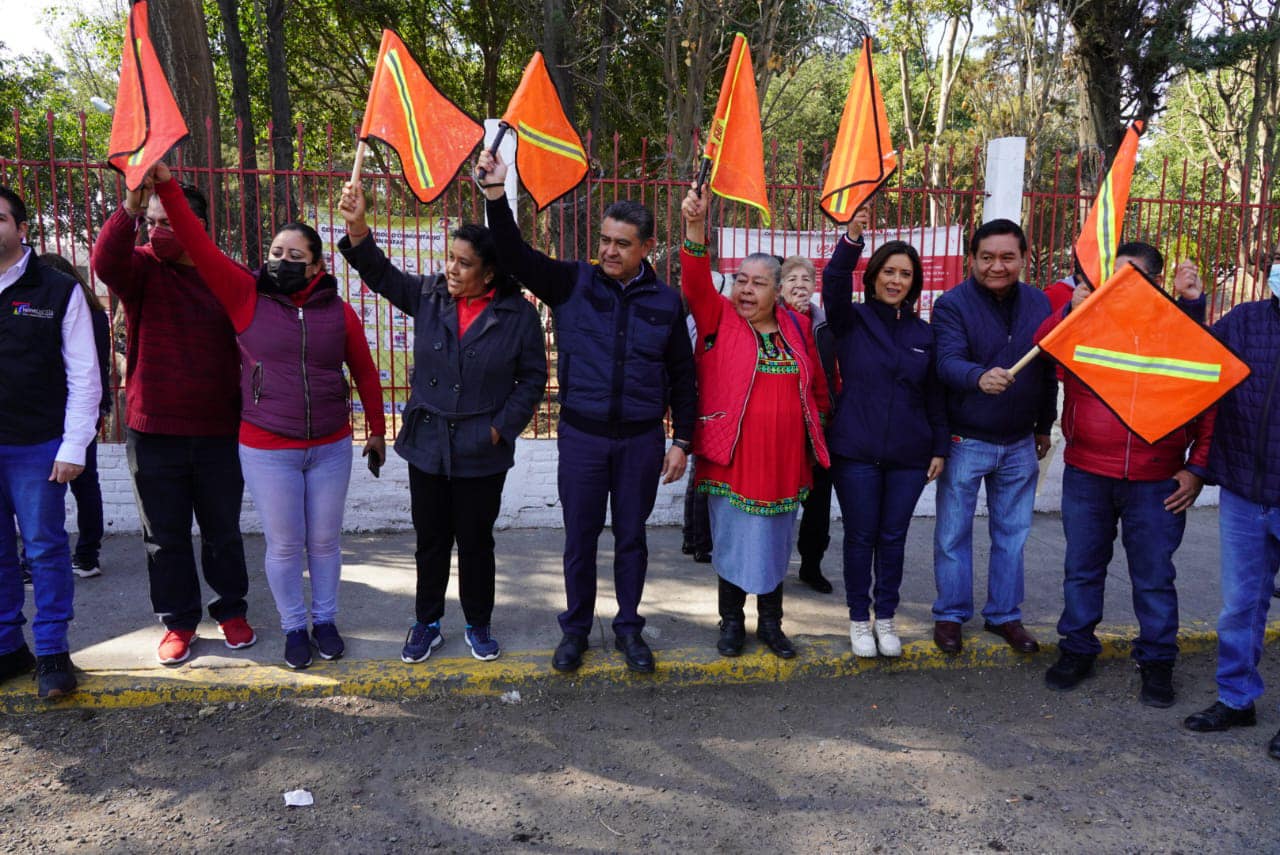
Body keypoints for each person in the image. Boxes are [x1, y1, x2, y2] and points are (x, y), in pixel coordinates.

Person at [149, 162, 387, 670]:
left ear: (318, 266)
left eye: (295, 255)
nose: (283, 260)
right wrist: (166, 185)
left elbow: (366, 373)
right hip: (266, 447)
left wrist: (377, 431)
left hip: (330, 445)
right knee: (284, 544)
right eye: (277, 253)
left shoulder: (337, 312)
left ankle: (325, 620)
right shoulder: (245, 296)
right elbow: (198, 243)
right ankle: (294, 627)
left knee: (323, 541)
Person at [476, 149, 697, 674]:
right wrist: (495, 195)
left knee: (631, 539)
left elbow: (685, 378)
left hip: (641, 442)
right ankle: (575, 629)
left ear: (646, 247)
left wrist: (682, 440)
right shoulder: (571, 282)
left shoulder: (667, 303)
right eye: (605, 240)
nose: (610, 251)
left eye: (623, 244)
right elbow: (514, 255)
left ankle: (628, 630)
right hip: (582, 439)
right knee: (579, 540)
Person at [336, 180, 546, 663]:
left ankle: (478, 622)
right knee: (430, 541)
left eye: (464, 262)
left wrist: (501, 427)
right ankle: (426, 622)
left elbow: (533, 378)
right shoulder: (429, 295)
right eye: (450, 257)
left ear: (490, 273)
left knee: (476, 542)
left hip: (482, 447)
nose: (451, 268)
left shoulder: (518, 316)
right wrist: (357, 224)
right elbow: (382, 275)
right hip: (428, 441)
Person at [1037, 243, 1211, 706]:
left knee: (1154, 577)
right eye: (1110, 276)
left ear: (1154, 281)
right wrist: (1069, 314)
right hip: (1088, 475)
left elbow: (1210, 402)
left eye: (1131, 276)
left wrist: (1196, 470)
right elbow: (1042, 347)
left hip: (1157, 483)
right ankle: (1076, 649)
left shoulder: (1178, 332)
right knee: (1081, 571)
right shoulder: (1087, 323)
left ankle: (1157, 662)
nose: (1118, 286)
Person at [92, 174, 255, 666]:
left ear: (198, 225)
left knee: (222, 531)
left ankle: (231, 610)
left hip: (218, 431)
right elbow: (104, 262)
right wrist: (130, 208)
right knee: (164, 537)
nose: (157, 231)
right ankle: (179, 622)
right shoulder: (140, 268)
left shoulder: (227, 275)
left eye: (169, 221)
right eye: (152, 223)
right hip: (153, 431)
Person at [681, 186, 831, 658]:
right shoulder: (718, 317)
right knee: (733, 542)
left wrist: (817, 433)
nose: (746, 289)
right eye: (741, 280)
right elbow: (693, 283)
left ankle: (771, 624)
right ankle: (731, 623)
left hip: (785, 461)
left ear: (777, 288)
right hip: (734, 459)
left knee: (774, 543)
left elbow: (818, 387)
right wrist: (694, 227)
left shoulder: (797, 327)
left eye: (757, 283)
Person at [931, 218, 1057, 654]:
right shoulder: (952, 305)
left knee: (1012, 535)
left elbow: (1047, 370)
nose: (996, 266)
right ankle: (950, 615)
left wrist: (1044, 424)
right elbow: (945, 362)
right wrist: (978, 377)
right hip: (967, 440)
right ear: (972, 259)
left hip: (1021, 442)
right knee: (952, 535)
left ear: (1023, 258)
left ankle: (1004, 616)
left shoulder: (1040, 304)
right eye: (986, 257)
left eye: (1007, 257)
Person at [823, 222, 948, 658]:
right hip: (855, 452)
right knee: (860, 537)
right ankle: (860, 620)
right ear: (873, 275)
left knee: (893, 537)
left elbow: (934, 395)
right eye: (889, 271)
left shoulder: (923, 334)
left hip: (910, 457)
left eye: (906, 274)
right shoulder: (850, 321)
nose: (896, 280)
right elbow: (833, 281)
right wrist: (851, 239)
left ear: (914, 283)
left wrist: (939, 447)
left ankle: (887, 618)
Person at [0, 186, 99, 698]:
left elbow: (85, 376)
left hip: (38, 446)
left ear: (20, 229)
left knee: (44, 549)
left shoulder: (58, 290)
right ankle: (7, 648)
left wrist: (73, 446)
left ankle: (53, 651)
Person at [1183, 246, 1280, 761]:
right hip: (1244, 491)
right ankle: (1236, 698)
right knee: (1240, 607)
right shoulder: (1245, 321)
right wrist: (1195, 306)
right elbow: (1196, 359)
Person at [39, 254, 110, 580]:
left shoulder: (68, 313)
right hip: (87, 409)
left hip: (63, 410)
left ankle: (40, 559)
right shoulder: (96, 314)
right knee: (86, 485)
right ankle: (88, 555)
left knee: (44, 487)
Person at [780, 250, 839, 594]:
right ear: (780, 287)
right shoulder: (772, 320)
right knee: (782, 502)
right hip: (785, 428)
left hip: (820, 426)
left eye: (806, 279)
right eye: (792, 280)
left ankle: (811, 566)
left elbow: (833, 375)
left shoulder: (826, 325)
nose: (799, 286)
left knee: (818, 504)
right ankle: (773, 564)